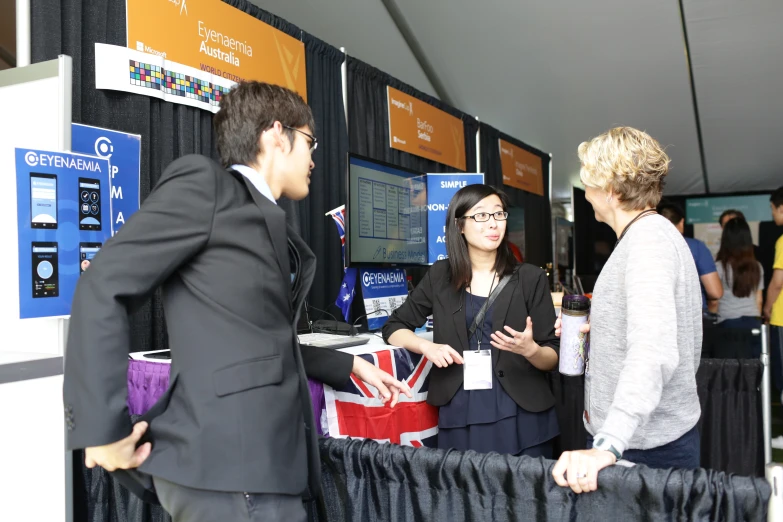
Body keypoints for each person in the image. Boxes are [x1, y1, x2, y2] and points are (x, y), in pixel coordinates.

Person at [63, 82, 411, 522]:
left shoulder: (270, 222)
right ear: (275, 135)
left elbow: (256, 339)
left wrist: (349, 365)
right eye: (310, 142)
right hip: (231, 466)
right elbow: (102, 284)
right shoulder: (206, 185)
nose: (313, 158)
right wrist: (102, 428)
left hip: (258, 466)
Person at [552, 127, 702, 494]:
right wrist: (598, 330)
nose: (586, 194)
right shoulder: (648, 236)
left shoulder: (647, 243)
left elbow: (653, 351)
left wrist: (608, 444)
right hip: (641, 440)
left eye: (588, 183)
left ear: (613, 192)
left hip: (642, 447)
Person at [382, 184, 560, 457]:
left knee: (527, 495)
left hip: (523, 411)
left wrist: (531, 350)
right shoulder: (440, 276)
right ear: (460, 226)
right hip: (461, 409)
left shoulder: (530, 278)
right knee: (467, 495)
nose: (493, 224)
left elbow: (553, 355)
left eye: (499, 214)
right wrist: (427, 347)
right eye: (481, 216)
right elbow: (394, 327)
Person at [658, 202, 723, 313]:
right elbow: (715, 292)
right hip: (692, 315)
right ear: (682, 223)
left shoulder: (644, 248)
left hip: (658, 316)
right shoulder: (696, 247)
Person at [715, 217, 764, 355]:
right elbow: (759, 300)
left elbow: (715, 300)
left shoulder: (719, 267)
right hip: (753, 323)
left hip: (727, 324)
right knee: (752, 370)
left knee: (730, 372)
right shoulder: (757, 267)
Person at [764, 187, 783, 405]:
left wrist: (767, 309)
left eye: (772, 209)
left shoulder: (782, 241)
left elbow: (777, 282)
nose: (772, 214)